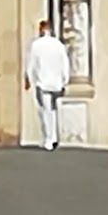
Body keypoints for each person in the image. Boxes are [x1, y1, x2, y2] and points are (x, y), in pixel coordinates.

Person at [24, 19, 71, 151]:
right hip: (56, 82)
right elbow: (65, 63)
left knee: (44, 110)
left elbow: (31, 63)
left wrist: (28, 78)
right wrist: (65, 79)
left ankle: (48, 139)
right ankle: (54, 137)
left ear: (41, 29)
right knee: (53, 110)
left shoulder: (37, 45)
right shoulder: (58, 44)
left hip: (43, 82)